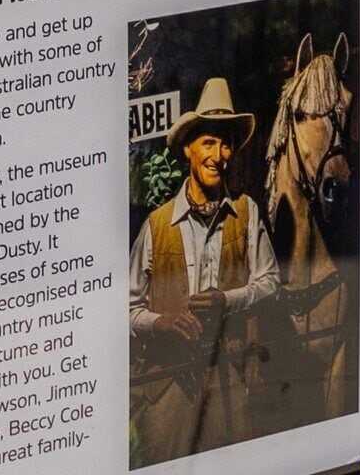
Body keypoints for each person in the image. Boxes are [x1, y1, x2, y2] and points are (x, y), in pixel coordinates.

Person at [129, 78, 280, 465]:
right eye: (209, 143)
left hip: (227, 378)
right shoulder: (157, 224)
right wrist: (161, 322)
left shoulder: (246, 212)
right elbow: (126, 310)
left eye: (226, 144)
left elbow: (270, 282)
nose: (219, 155)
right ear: (188, 149)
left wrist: (227, 300)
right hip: (168, 385)